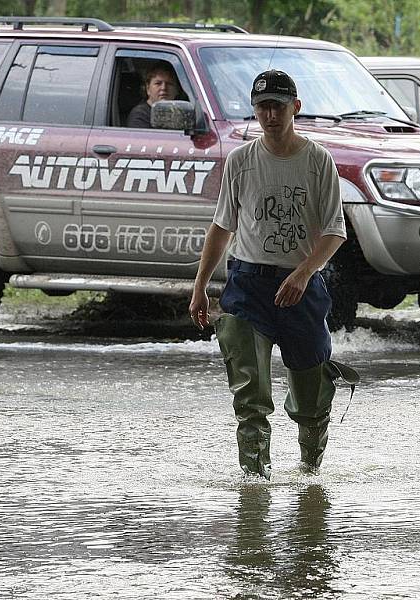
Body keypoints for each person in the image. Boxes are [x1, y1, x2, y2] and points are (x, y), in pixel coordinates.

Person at [189, 69, 358, 480]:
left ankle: (309, 471)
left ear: (295, 108)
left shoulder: (317, 161)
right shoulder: (241, 161)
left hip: (300, 286)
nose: (269, 115)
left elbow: (335, 230)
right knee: (249, 394)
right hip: (248, 284)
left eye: (277, 107)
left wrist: (303, 273)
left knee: (311, 394)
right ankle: (254, 483)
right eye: (262, 107)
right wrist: (199, 287)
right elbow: (221, 227)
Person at [126, 63, 181, 128]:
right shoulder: (140, 115)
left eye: (169, 83)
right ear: (148, 88)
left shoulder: (180, 114)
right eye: (158, 83)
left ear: (177, 90)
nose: (163, 88)